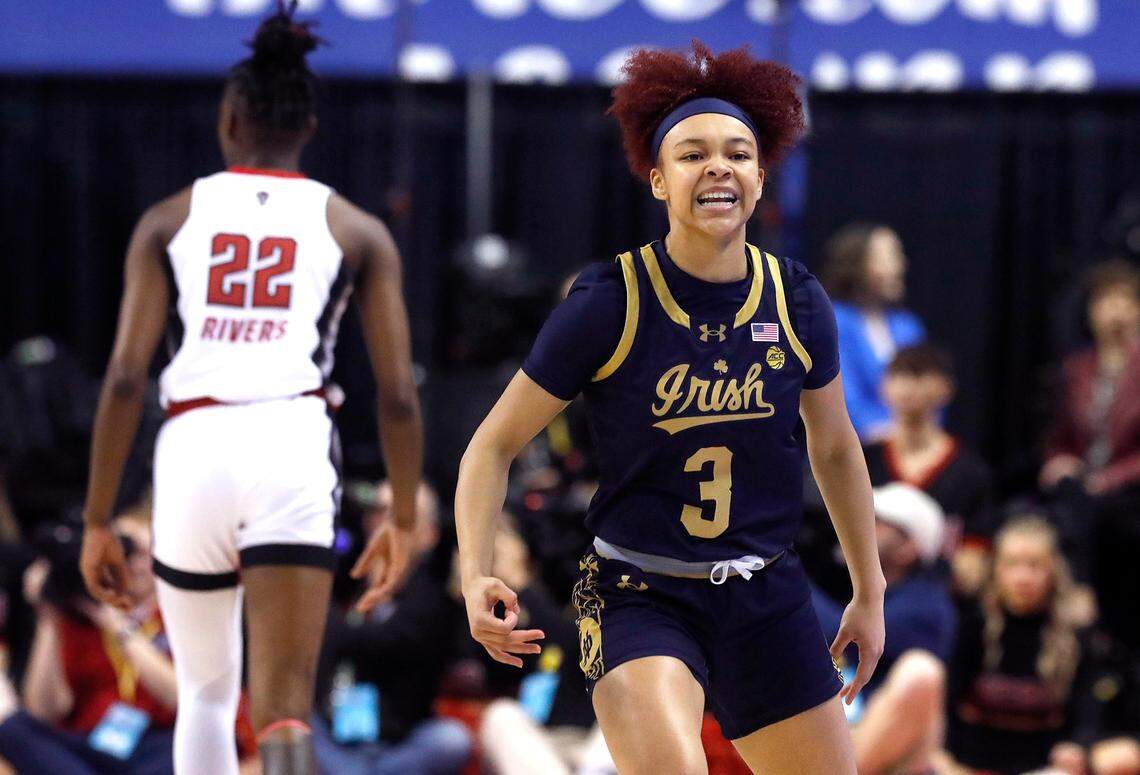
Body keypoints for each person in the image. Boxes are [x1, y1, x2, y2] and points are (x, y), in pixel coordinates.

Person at [456, 41, 885, 775]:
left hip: (765, 589)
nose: (718, 165)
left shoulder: (797, 298)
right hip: (637, 589)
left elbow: (837, 449)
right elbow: (489, 447)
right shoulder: (609, 300)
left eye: (738, 153)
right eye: (692, 154)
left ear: (759, 176)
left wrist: (868, 589)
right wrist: (474, 570)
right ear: (657, 179)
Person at [76, 5, 423, 774]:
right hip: (290, 442)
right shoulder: (357, 228)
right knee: (283, 708)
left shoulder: (169, 219)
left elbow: (127, 377)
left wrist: (98, 517)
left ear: (229, 120)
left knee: (204, 690)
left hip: (193, 442)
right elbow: (397, 394)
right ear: (310, 125)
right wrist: (401, 514)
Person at [813, 483, 956, 775]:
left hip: (884, 757)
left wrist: (776, 570)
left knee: (921, 672)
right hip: (841, 735)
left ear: (909, 548)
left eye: (875, 521)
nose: (855, 524)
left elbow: (842, 636)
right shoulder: (859, 594)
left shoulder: (929, 607)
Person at [944, 517, 1105, 775]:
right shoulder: (972, 622)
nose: (1023, 577)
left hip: (1041, 768)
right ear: (996, 568)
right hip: (967, 765)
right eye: (1012, 564)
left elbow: (1087, 707)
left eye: (1034, 565)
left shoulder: (1075, 633)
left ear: (1053, 570)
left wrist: (1077, 746)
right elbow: (947, 700)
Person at [1039, 259, 1140, 647]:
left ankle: (1084, 593)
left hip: (1128, 491)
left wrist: (1111, 478)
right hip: (1083, 488)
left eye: (1125, 301)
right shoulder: (1077, 368)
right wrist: (1056, 460)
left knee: (1098, 512)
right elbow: (1058, 436)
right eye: (1106, 302)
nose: (1115, 311)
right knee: (1060, 504)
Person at [863, 344, 993, 596]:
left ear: (945, 388)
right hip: (860, 595)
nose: (907, 385)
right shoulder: (862, 459)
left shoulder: (969, 472)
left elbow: (972, 568)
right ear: (884, 386)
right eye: (898, 374)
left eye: (919, 375)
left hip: (934, 599)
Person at [820, 223, 926, 442]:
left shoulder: (908, 325)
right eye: (890, 257)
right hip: (855, 450)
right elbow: (842, 399)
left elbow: (929, 388)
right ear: (857, 265)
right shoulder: (833, 321)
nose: (901, 265)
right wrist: (891, 434)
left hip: (909, 446)